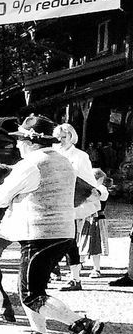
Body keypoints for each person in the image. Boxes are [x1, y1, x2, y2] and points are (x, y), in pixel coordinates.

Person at [0, 114, 103, 334]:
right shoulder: (64, 161)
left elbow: (0, 198)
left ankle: (81, 324)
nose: (18, 144)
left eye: (21, 139)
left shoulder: (31, 164)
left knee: (31, 295)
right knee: (32, 287)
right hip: (63, 232)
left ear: (32, 142)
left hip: (39, 234)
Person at [52, 122, 107, 289]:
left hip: (73, 202)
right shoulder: (53, 152)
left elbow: (88, 181)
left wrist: (94, 196)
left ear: (71, 136)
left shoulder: (80, 156)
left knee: (70, 240)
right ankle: (53, 271)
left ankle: (75, 278)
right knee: (50, 238)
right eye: (58, 137)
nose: (61, 140)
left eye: (64, 136)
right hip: (53, 201)